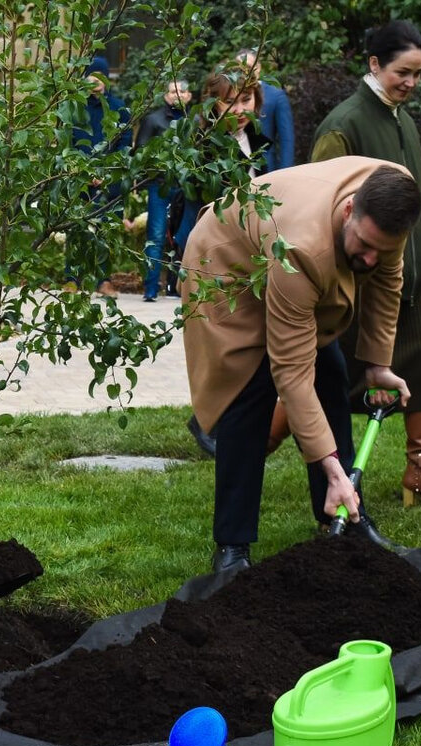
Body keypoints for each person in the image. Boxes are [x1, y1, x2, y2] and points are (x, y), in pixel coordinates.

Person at [181, 157, 421, 573]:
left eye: (379, 249)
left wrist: (378, 365)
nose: (368, 259)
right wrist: (330, 465)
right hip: (227, 269)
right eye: (363, 245)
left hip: (282, 260)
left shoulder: (393, 197)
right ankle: (232, 546)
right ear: (350, 210)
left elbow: (387, 280)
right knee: (249, 390)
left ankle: (341, 514)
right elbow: (290, 371)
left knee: (331, 374)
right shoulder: (302, 246)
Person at [310, 20, 421, 509]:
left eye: (418, 74)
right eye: (404, 72)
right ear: (375, 64)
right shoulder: (345, 123)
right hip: (359, 285)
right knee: (333, 382)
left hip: (410, 280)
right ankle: (253, 441)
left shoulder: (404, 119)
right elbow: (321, 199)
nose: (411, 83)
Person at [179, 66, 272, 457]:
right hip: (211, 247)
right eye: (229, 99)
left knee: (248, 337)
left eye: (246, 99)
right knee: (218, 336)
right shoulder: (202, 143)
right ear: (212, 102)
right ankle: (207, 420)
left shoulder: (257, 138)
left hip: (250, 246)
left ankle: (222, 420)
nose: (238, 107)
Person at [69, 55, 132, 296]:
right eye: (91, 75)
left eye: (101, 76)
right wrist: (84, 172)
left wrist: (107, 172)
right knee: (76, 226)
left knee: (106, 230)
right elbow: (71, 142)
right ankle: (72, 279)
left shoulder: (118, 108)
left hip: (110, 180)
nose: (96, 80)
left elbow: (125, 143)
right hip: (80, 178)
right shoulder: (75, 107)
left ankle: (103, 280)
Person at [131, 78, 191, 301]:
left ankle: (176, 286)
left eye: (182, 91)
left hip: (186, 185)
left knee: (182, 235)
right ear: (165, 95)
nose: (177, 95)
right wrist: (143, 180)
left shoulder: (193, 121)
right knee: (156, 235)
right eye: (172, 91)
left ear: (189, 96)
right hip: (160, 185)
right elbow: (140, 153)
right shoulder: (153, 120)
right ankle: (151, 287)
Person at [236, 48, 295, 172]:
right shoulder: (230, 96)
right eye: (240, 68)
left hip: (266, 169)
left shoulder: (276, 96)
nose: (245, 72)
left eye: (249, 67)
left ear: (258, 67)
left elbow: (286, 140)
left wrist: (286, 172)